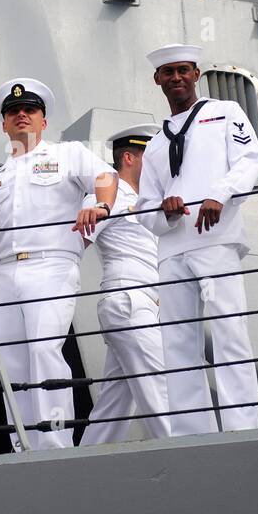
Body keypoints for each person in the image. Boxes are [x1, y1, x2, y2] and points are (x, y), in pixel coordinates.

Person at [0, 78, 116, 450]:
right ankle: (23, 446)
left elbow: (105, 178)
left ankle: (55, 444)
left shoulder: (69, 154)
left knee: (44, 351)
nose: (21, 115)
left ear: (43, 120)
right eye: (13, 112)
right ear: (4, 124)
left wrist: (101, 205)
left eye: (30, 110)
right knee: (12, 360)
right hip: (7, 272)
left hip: (52, 264)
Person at [137, 45, 258, 434]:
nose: (176, 78)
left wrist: (219, 194)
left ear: (195, 74)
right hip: (173, 247)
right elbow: (144, 205)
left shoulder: (223, 113)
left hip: (216, 238)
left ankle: (243, 426)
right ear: (157, 80)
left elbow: (248, 161)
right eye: (167, 72)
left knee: (229, 332)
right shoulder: (157, 143)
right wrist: (165, 209)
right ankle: (193, 431)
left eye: (183, 70)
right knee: (176, 342)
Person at [80, 124, 172, 445]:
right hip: (128, 301)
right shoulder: (110, 195)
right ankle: (191, 461)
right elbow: (79, 237)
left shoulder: (148, 201)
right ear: (129, 157)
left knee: (114, 407)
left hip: (145, 305)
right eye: (151, 155)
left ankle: (81, 470)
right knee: (161, 389)